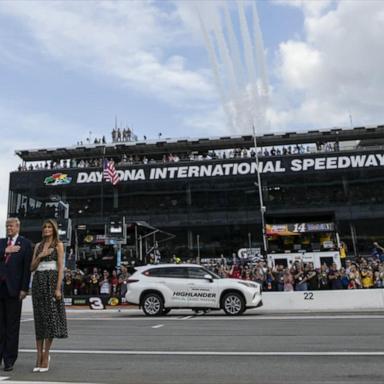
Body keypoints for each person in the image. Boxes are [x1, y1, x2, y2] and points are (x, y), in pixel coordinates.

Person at [30, 219, 68, 372]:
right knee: (39, 319)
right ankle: (38, 355)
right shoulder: (38, 246)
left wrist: (58, 288)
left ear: (54, 230)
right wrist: (41, 256)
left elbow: (60, 268)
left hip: (51, 283)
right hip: (38, 282)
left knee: (50, 319)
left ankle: (46, 354)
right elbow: (31, 268)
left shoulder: (58, 245)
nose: (46, 229)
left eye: (49, 227)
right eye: (44, 227)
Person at [0, 218, 32, 371]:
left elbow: (26, 268)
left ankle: (9, 359)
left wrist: (24, 289)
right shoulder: (1, 243)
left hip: (14, 290)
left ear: (18, 226)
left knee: (12, 327)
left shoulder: (25, 244)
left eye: (11, 225)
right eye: (7, 226)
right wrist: (5, 251)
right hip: (1, 288)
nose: (8, 228)